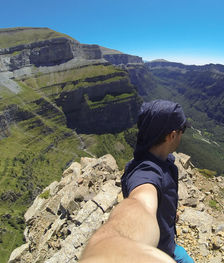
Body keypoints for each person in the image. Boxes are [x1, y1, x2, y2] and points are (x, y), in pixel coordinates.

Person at [80, 100, 194, 263]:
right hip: (160, 252)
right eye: (182, 130)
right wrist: (110, 245)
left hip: (168, 244)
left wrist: (167, 215)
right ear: (172, 135)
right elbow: (140, 203)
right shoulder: (145, 172)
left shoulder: (161, 161)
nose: (183, 135)